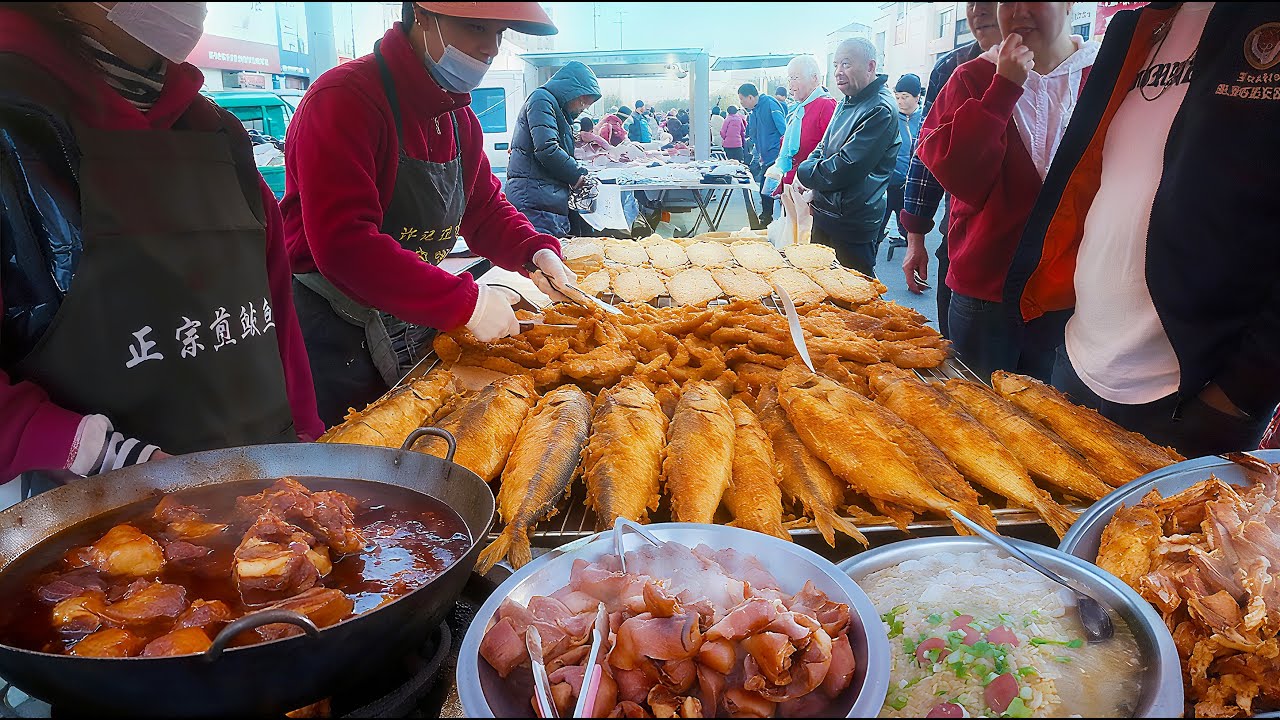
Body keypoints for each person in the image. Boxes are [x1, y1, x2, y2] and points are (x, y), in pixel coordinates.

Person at [0, 1, 323, 483]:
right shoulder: (15, 121)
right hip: (104, 520)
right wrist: (107, 455)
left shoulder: (216, 131)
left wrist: (310, 446)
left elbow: (276, 317)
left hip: (272, 485)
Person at [1004, 2, 1280, 459]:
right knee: (1052, 528)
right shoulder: (1134, 28)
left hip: (1194, 400)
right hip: (1076, 361)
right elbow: (1087, 177)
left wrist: (1241, 392)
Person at [282, 2, 577, 426]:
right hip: (334, 329)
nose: (490, 47)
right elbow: (344, 243)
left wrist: (534, 252)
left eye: (499, 33)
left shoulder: (458, 119)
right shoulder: (345, 101)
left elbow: (485, 208)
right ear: (422, 15)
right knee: (347, 468)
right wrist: (466, 303)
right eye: (476, 27)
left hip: (413, 311)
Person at [916, 2, 1098, 383]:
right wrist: (1003, 90)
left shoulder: (1105, 75)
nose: (1016, 12)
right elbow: (960, 176)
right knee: (975, 416)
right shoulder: (971, 76)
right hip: (985, 288)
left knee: (1051, 424)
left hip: (1073, 292)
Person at [900, 2, 1001, 338]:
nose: (979, 10)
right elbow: (925, 160)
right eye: (971, 2)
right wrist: (915, 238)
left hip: (1052, 266)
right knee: (959, 362)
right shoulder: (954, 68)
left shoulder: (1082, 66)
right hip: (963, 249)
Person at [794, 38, 899, 278]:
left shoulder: (879, 109)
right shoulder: (847, 101)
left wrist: (804, 172)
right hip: (826, 213)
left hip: (852, 222)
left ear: (870, 66)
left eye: (846, 64)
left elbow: (844, 167)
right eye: (836, 65)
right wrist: (809, 167)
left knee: (854, 296)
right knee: (821, 285)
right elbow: (823, 146)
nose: (839, 72)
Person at [507, 60, 601, 235]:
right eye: (582, 102)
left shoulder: (556, 107)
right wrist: (576, 175)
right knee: (539, 256)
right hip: (533, 200)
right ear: (573, 91)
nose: (583, 108)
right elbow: (547, 149)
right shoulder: (541, 99)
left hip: (545, 197)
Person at [775, 55, 837, 190]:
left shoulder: (825, 105)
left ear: (814, 78)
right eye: (790, 78)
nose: (791, 84)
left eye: (796, 78)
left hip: (808, 189)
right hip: (792, 184)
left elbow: (832, 153)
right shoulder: (798, 109)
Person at [881, 73, 923, 252]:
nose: (900, 101)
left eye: (905, 97)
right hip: (887, 184)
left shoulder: (924, 119)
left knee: (910, 233)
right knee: (875, 230)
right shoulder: (889, 118)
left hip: (911, 187)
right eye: (897, 97)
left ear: (917, 97)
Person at [738, 82, 787, 225]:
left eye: (742, 99)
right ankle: (767, 217)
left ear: (751, 97)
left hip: (775, 156)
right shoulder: (754, 110)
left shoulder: (771, 104)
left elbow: (783, 129)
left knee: (768, 190)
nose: (741, 102)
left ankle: (768, 218)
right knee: (765, 190)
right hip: (764, 156)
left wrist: (782, 154)